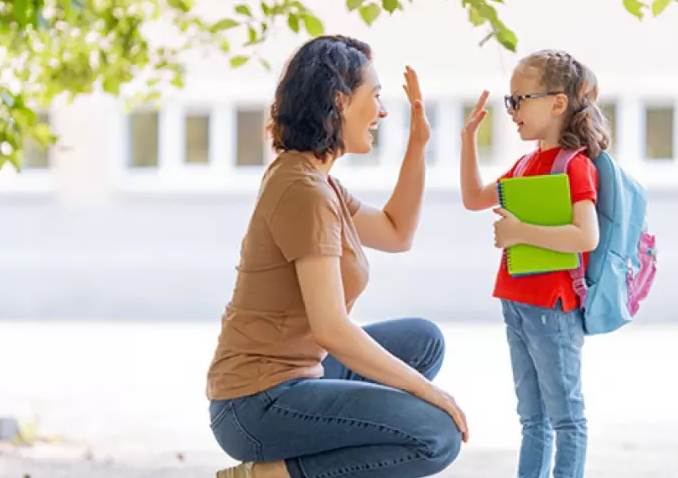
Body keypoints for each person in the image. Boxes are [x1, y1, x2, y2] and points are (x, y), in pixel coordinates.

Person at [206, 35, 480, 478]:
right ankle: (267, 475)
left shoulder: (315, 179)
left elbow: (396, 232)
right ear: (339, 100)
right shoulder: (304, 191)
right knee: (436, 435)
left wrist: (417, 145)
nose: (382, 112)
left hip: (296, 377)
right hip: (255, 405)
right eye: (375, 96)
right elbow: (331, 327)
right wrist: (429, 393)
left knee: (422, 340)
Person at [459, 49, 610, 478]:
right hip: (517, 303)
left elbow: (586, 236)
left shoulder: (573, 166)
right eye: (511, 101)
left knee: (566, 417)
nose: (512, 111)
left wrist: (520, 232)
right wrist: (469, 141)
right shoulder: (526, 164)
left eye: (519, 99)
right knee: (532, 418)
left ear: (558, 103)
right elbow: (474, 198)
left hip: (552, 306)